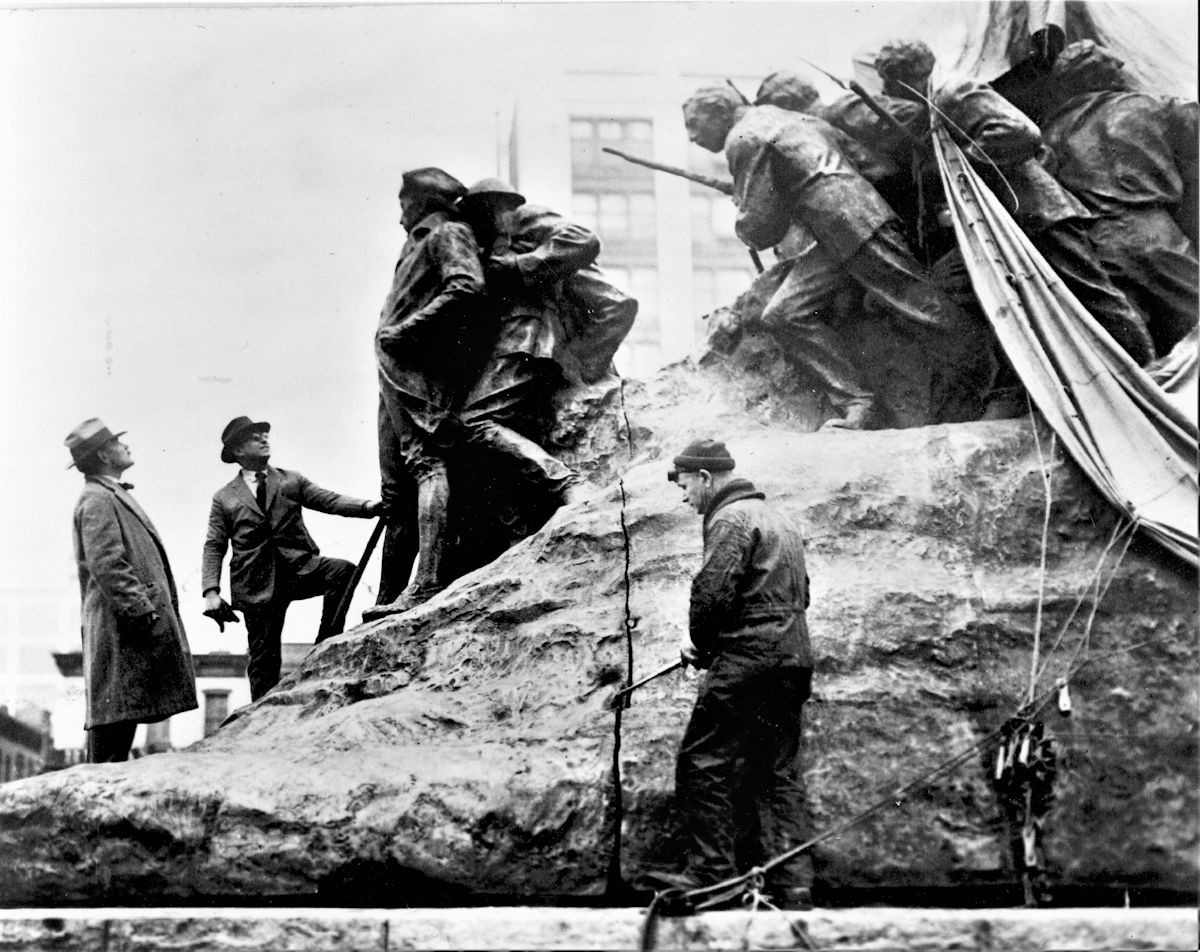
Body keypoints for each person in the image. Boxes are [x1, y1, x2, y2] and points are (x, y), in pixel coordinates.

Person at [683, 85, 967, 429]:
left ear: (719, 111)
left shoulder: (743, 137)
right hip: (843, 226)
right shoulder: (797, 119)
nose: (692, 136)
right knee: (786, 314)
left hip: (850, 223)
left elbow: (760, 228)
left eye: (694, 124)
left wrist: (744, 210)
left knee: (920, 305)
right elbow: (878, 169)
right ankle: (860, 403)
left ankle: (1001, 378)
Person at [874, 39, 1156, 365]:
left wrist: (962, 164)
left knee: (1093, 295)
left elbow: (1020, 132)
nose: (886, 89)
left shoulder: (956, 92)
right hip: (1010, 221)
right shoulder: (935, 107)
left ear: (902, 77)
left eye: (888, 80)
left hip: (1038, 209)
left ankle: (1149, 370)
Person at [651, 439, 815, 910]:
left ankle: (712, 879)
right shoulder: (780, 518)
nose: (685, 498)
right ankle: (795, 883)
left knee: (703, 763)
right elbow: (802, 593)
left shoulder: (729, 518)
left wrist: (700, 645)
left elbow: (712, 593)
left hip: (748, 662)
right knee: (777, 769)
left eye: (685, 487)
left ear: (705, 478)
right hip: (792, 660)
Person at [370, 168, 489, 616]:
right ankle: (387, 598)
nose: (400, 216)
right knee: (395, 491)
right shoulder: (413, 243)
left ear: (421, 202)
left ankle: (426, 584)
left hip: (419, 367)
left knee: (425, 463)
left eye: (404, 205)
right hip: (392, 370)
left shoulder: (448, 232)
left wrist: (408, 330)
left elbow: (466, 286)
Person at [202, 416, 382, 700]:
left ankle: (326, 643)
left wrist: (370, 507)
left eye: (264, 434)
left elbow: (330, 500)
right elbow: (214, 545)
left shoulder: (290, 480)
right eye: (254, 437)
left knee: (342, 572)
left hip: (299, 570)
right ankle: (260, 719)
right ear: (237, 451)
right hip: (256, 583)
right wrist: (211, 591)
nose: (263, 439)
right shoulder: (224, 497)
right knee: (264, 660)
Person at [1040, 40, 1198, 357]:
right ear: (1099, 76)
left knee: (1133, 352)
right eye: (1113, 65)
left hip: (1094, 248)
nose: (1121, 68)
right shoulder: (1149, 106)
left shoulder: (1049, 135)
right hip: (1154, 235)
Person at [66, 418, 197, 762]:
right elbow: (107, 564)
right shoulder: (97, 498)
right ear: (104, 455)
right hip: (122, 629)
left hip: (127, 628)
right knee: (112, 732)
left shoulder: (108, 494)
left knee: (119, 722)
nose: (127, 446)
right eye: (118, 442)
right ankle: (97, 815)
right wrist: (144, 611)